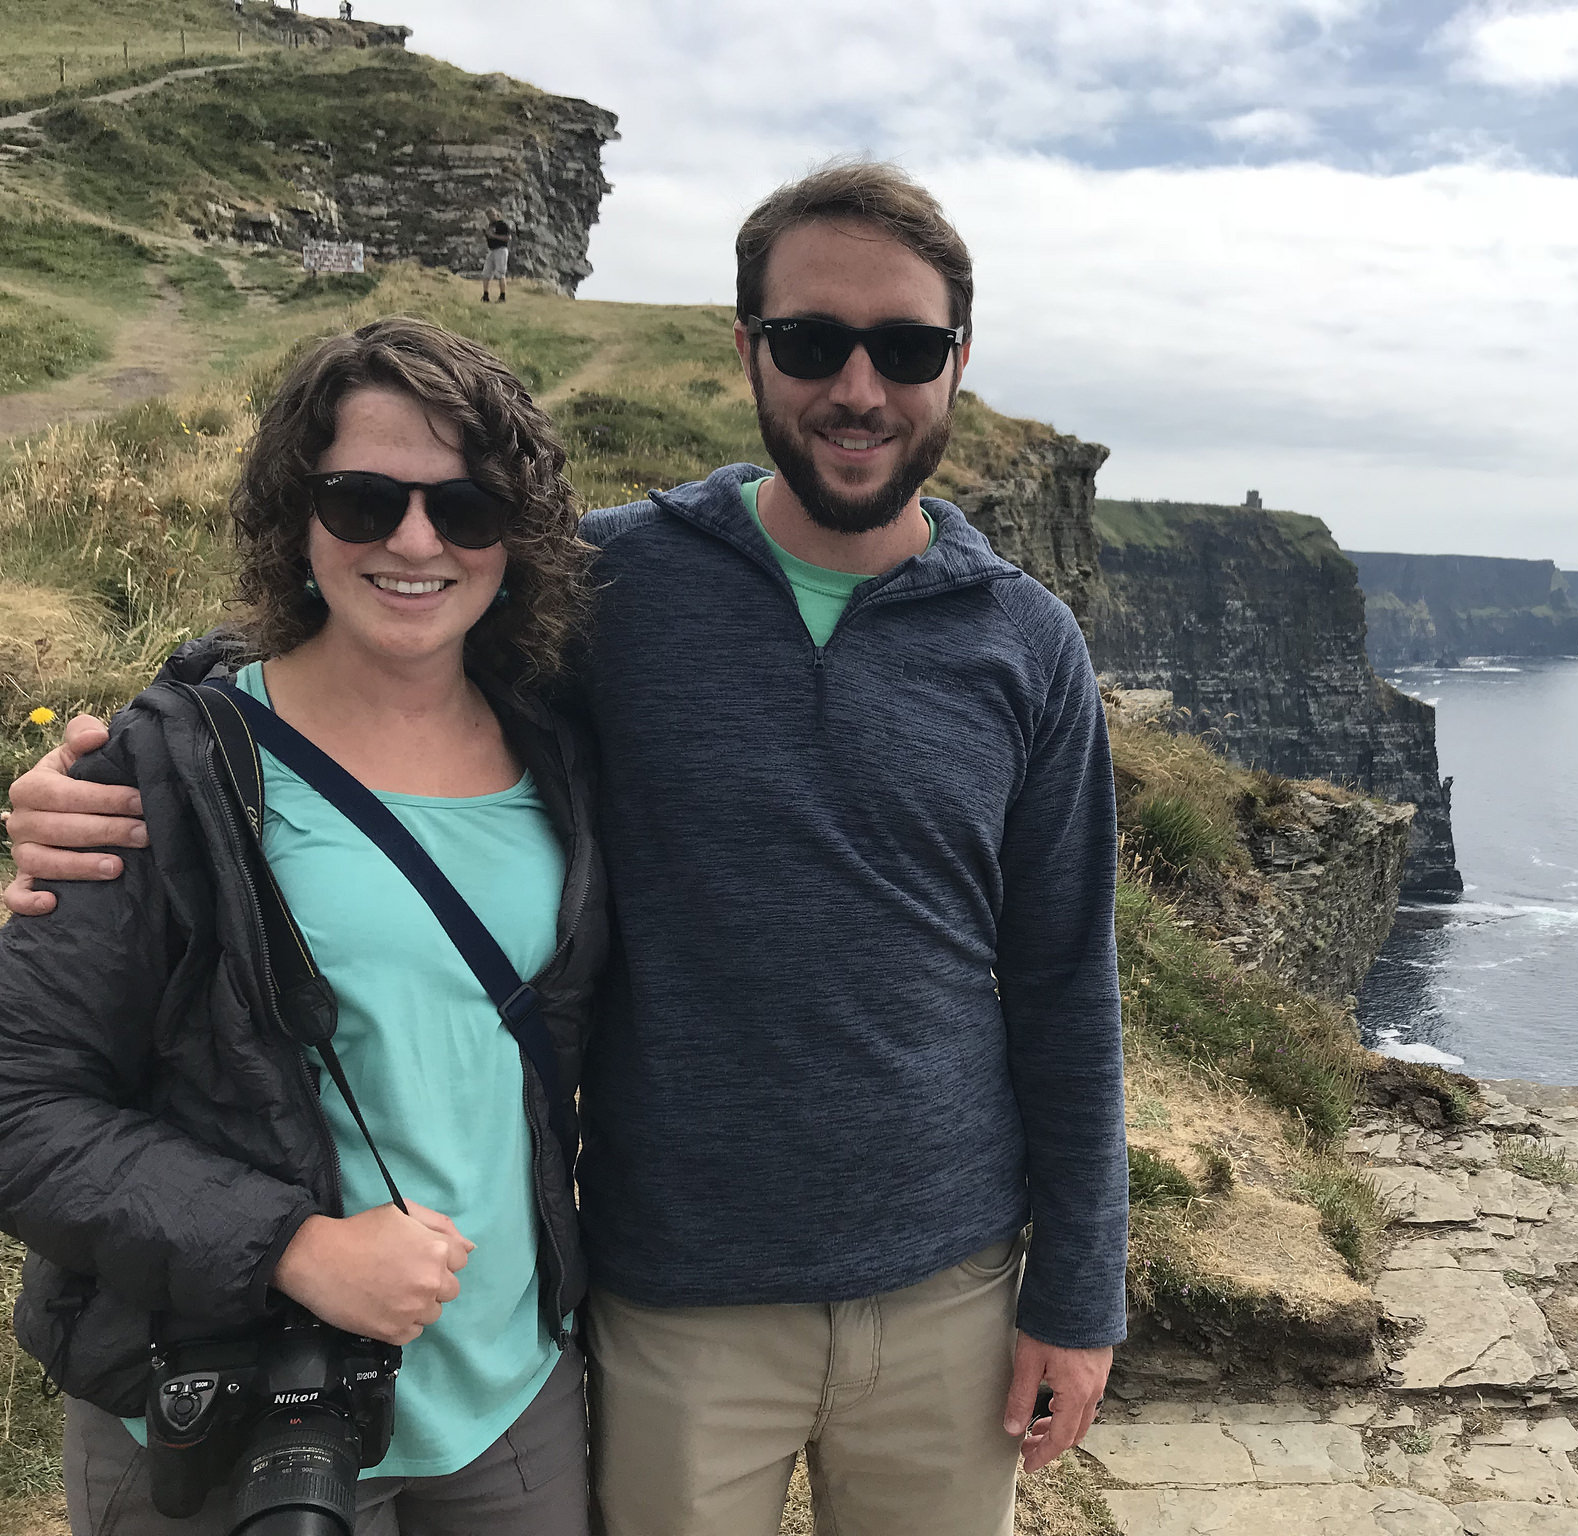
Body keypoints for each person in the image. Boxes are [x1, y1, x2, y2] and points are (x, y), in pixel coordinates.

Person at [5, 160, 1128, 1536]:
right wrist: (131, 742)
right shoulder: (625, 584)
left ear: (957, 360)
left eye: (903, 347)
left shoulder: (1027, 645)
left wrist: (1081, 1291)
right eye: (808, 341)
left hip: (948, 1284)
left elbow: (1069, 980)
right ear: (748, 352)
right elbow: (391, 615)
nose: (856, 387)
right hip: (672, 1291)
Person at [0, 317, 607, 1535]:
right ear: (298, 513)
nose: (416, 541)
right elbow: (22, 1104)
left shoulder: (555, 749)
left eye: (467, 508)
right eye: (362, 499)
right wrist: (291, 1247)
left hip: (505, 1400)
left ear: (517, 534)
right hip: (225, 1403)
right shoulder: (159, 773)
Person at [481, 211, 512, 304]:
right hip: (492, 250)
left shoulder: (502, 224)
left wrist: (494, 236)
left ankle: (502, 296)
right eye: (488, 216)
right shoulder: (490, 225)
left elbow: (508, 237)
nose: (490, 217)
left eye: (491, 215)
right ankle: (485, 295)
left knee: (500, 272)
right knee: (486, 272)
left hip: (501, 249)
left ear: (496, 214)